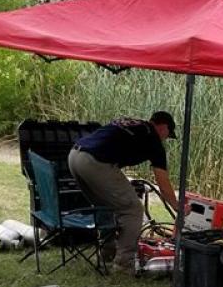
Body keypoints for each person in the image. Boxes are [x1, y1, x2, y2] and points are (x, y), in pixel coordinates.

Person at [68, 112, 180, 273]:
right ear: (163, 127)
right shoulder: (153, 140)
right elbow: (163, 181)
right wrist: (176, 206)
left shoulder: (132, 123)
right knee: (133, 210)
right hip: (95, 162)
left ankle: (107, 251)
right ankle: (124, 262)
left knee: (104, 205)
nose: (165, 139)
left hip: (75, 156)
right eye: (168, 135)